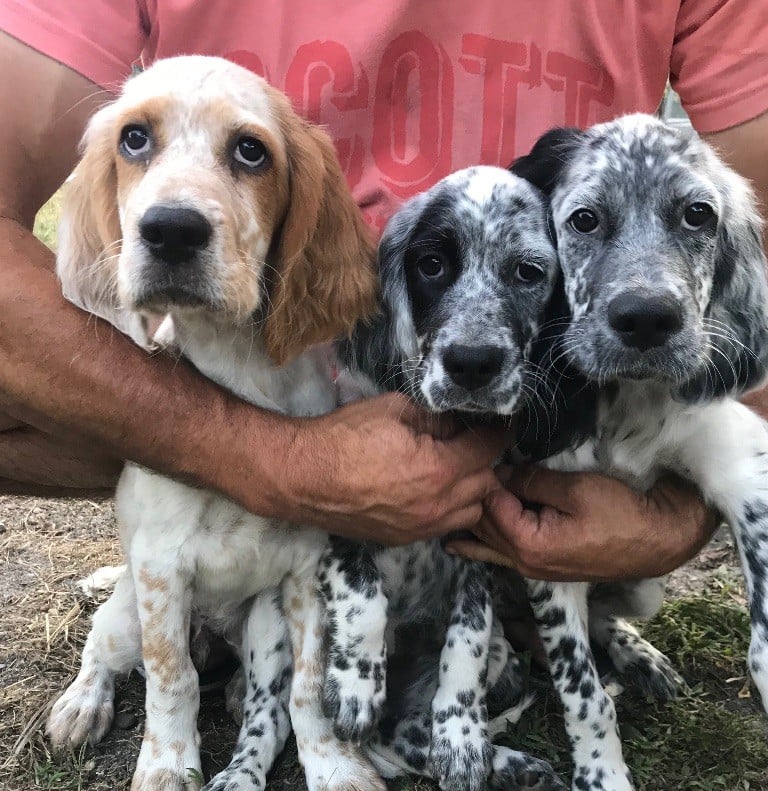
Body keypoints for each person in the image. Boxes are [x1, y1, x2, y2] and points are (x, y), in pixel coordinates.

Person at [0, 1, 767, 580]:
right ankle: (212, 537)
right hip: (254, 373)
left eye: (246, 151)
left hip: (553, 404)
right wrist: (269, 463)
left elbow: (754, 242)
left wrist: (681, 510)